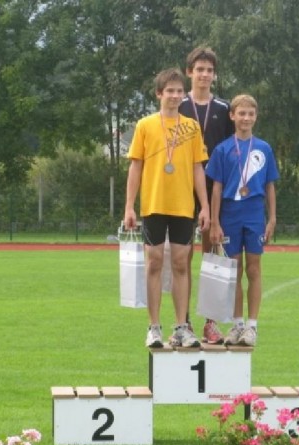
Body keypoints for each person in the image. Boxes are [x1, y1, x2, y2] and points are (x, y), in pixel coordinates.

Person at [124, 68, 210, 349]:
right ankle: (154, 328)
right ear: (159, 94)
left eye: (179, 91)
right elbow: (135, 167)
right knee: (154, 263)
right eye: (169, 91)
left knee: (181, 264)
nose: (174, 95)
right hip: (153, 205)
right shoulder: (145, 125)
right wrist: (129, 206)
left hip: (183, 206)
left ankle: (182, 327)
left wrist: (205, 206)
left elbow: (198, 168)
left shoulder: (192, 127)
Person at [205, 94, 279, 347]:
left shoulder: (264, 148)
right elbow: (216, 188)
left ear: (256, 117)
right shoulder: (222, 149)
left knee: (254, 269)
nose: (246, 118)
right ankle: (237, 325)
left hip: (255, 214)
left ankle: (252, 326)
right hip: (230, 215)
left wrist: (272, 218)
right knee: (234, 271)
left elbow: (270, 186)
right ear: (232, 116)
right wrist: (215, 222)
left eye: (250, 114)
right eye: (241, 113)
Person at [179, 46, 234, 344]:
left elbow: (230, 152)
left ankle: (210, 323)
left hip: (214, 191)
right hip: (182, 189)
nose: (204, 75)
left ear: (214, 75)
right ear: (189, 72)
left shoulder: (224, 109)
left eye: (209, 70)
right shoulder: (178, 104)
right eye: (199, 69)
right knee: (182, 258)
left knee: (211, 257)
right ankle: (184, 321)